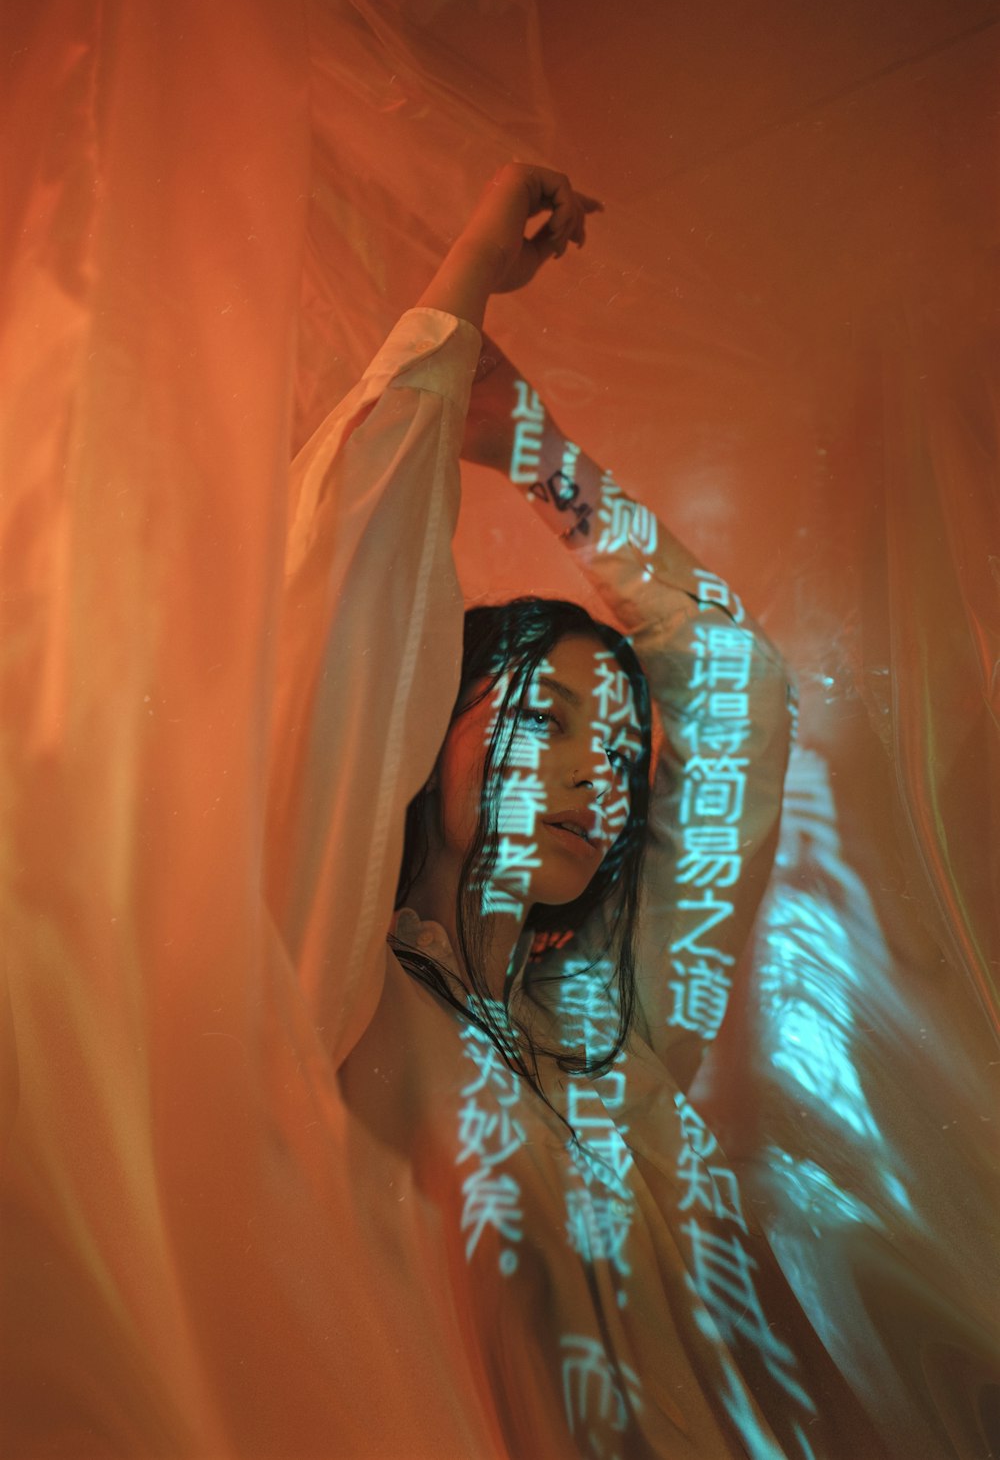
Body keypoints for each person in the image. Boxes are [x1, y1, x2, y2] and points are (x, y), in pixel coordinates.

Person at [265, 162, 888, 1459]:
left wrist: (546, 456)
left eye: (615, 745)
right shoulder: (327, 999)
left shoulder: (613, 1036)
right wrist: (467, 273)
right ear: (423, 732)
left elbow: (735, 695)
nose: (594, 773)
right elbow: (350, 597)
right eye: (542, 720)